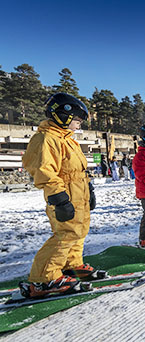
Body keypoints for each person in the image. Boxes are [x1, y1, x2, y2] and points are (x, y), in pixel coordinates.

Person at [21, 93, 106, 298]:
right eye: (77, 120)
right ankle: (44, 278)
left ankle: (71, 264)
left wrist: (89, 189)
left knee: (79, 231)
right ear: (63, 115)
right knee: (65, 234)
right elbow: (44, 171)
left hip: (79, 193)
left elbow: (78, 170)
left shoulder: (68, 140)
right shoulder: (46, 139)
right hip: (64, 196)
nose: (79, 124)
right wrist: (58, 198)